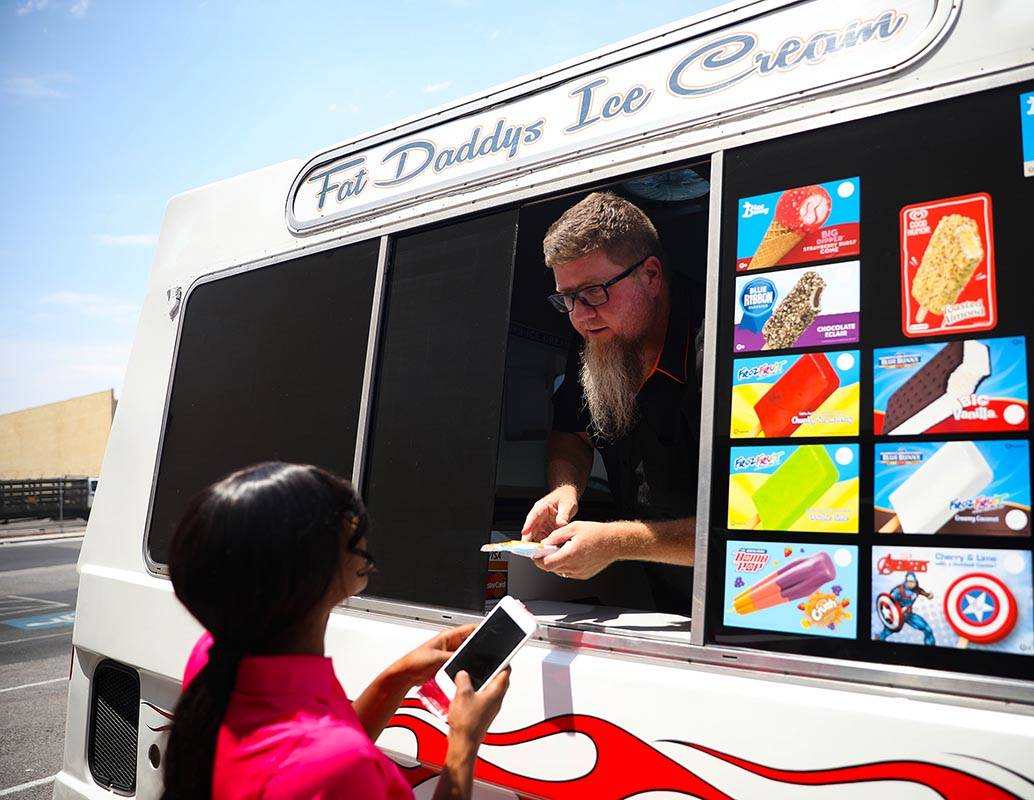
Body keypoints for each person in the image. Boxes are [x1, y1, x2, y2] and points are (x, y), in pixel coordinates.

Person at [163, 462, 509, 800]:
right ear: (307, 573)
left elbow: (324, 741)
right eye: (342, 524)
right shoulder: (337, 767)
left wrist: (397, 678)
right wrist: (464, 741)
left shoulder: (215, 653)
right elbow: (328, 760)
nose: (359, 526)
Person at [521, 191, 701, 614]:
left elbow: (758, 523)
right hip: (665, 601)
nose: (580, 315)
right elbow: (571, 433)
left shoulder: (723, 347)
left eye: (594, 292)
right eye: (566, 298)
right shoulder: (594, 333)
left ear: (651, 275)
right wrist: (565, 488)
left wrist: (616, 542)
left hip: (760, 603)